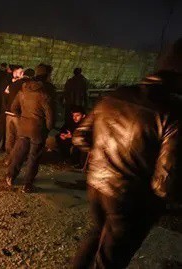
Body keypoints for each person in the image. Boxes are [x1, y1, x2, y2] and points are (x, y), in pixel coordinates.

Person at [71, 38, 182, 269]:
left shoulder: (118, 94)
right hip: (131, 199)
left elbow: (80, 137)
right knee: (111, 259)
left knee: (96, 235)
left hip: (96, 186)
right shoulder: (173, 113)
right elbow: (164, 184)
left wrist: (105, 159)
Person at [5, 77, 54, 193]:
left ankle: (10, 176)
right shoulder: (43, 95)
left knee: (19, 153)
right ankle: (28, 184)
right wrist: (48, 128)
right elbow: (50, 116)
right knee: (34, 156)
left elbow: (13, 108)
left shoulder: (22, 91)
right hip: (37, 129)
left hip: (23, 127)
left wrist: (22, 118)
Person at [0, 64, 14, 154]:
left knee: (4, 128)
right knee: (3, 128)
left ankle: (1, 147)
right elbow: (4, 94)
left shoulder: (7, 79)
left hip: (5, 107)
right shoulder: (7, 80)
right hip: (6, 108)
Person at [4, 65, 25, 155]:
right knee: (18, 136)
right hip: (17, 114)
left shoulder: (11, 85)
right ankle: (15, 156)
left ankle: (9, 156)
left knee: (9, 136)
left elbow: (5, 96)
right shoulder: (23, 85)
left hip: (9, 113)